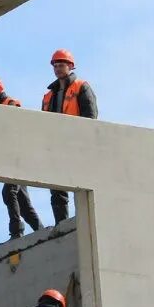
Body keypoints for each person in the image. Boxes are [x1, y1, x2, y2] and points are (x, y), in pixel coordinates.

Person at [0, 74, 42, 239]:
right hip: (12, 158)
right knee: (24, 204)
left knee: (9, 192)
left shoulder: (10, 104)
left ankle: (16, 232)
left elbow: (16, 129)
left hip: (18, 157)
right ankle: (41, 232)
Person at [41, 49, 99, 222]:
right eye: (55, 66)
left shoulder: (81, 86)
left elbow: (90, 116)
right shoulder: (48, 95)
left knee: (80, 181)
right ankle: (62, 223)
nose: (58, 69)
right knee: (57, 186)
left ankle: (85, 220)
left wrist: (84, 141)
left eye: (61, 65)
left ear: (70, 66)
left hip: (76, 143)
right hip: (56, 145)